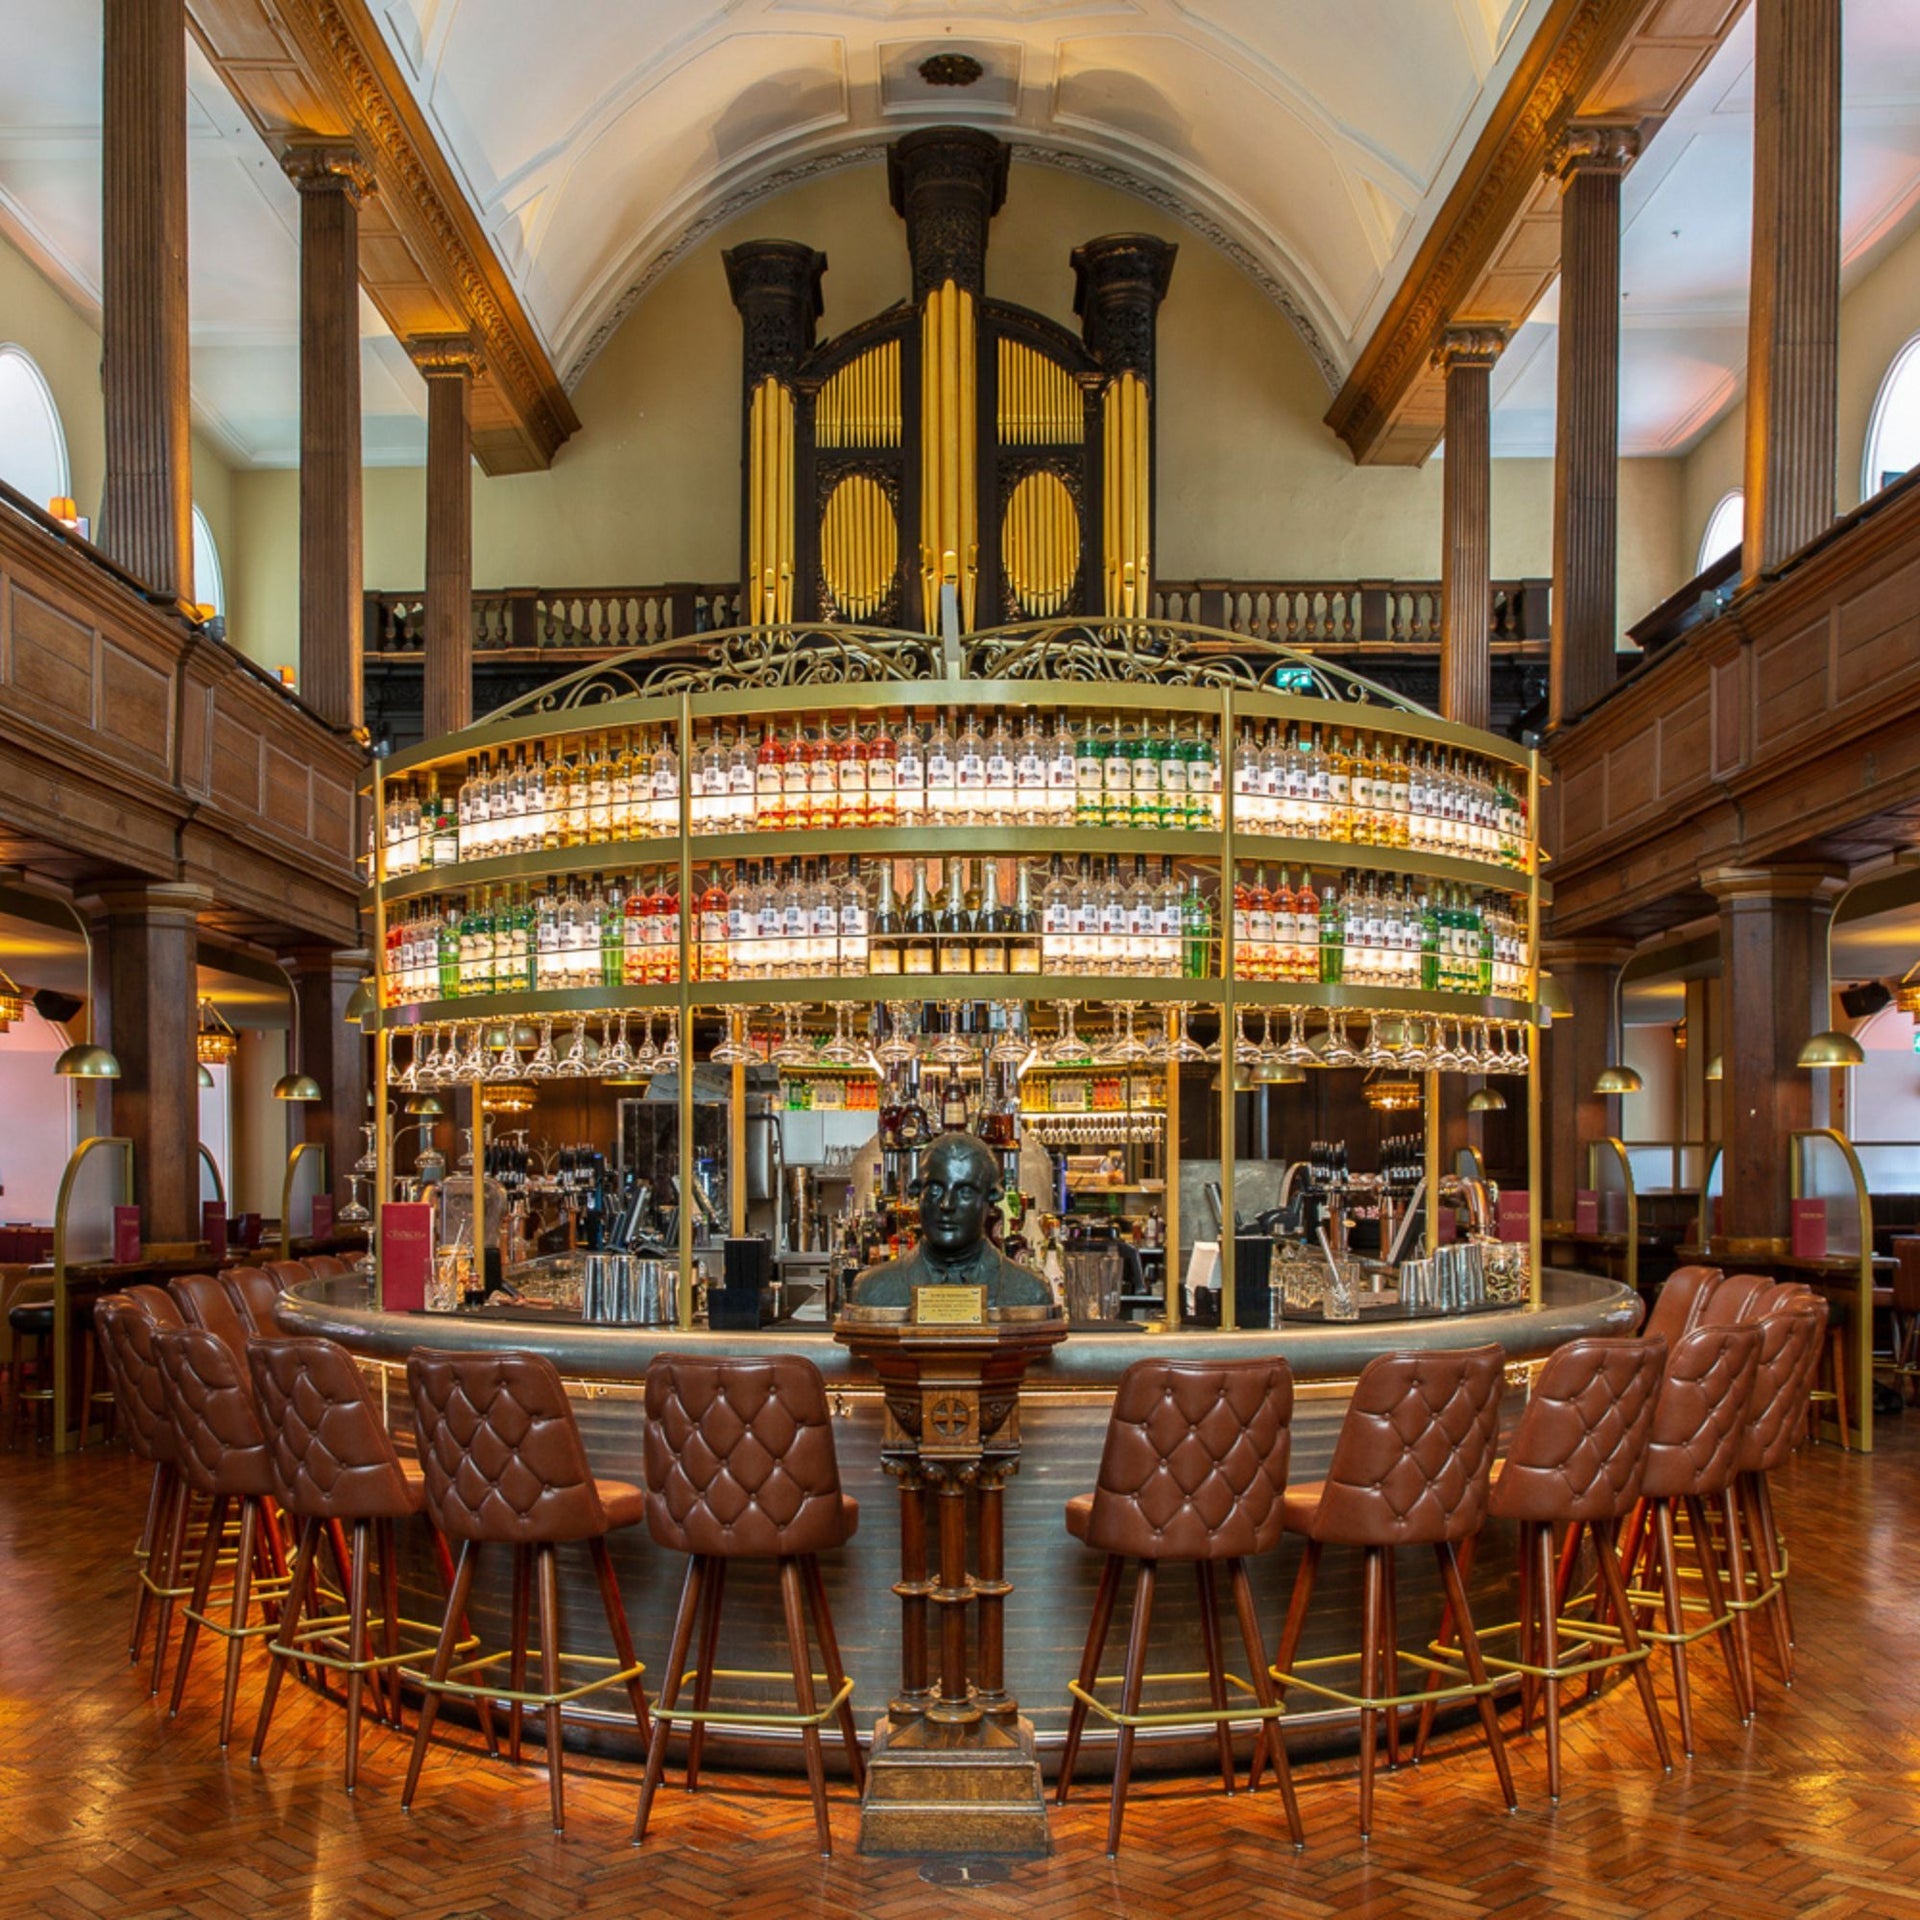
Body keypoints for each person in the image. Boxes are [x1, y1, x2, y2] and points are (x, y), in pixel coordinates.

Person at [849, 1131, 1053, 1309]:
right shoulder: (873, 1289)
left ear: (991, 1199)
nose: (946, 1204)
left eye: (965, 1192)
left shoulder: (1030, 1291)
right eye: (935, 1189)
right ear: (916, 1193)